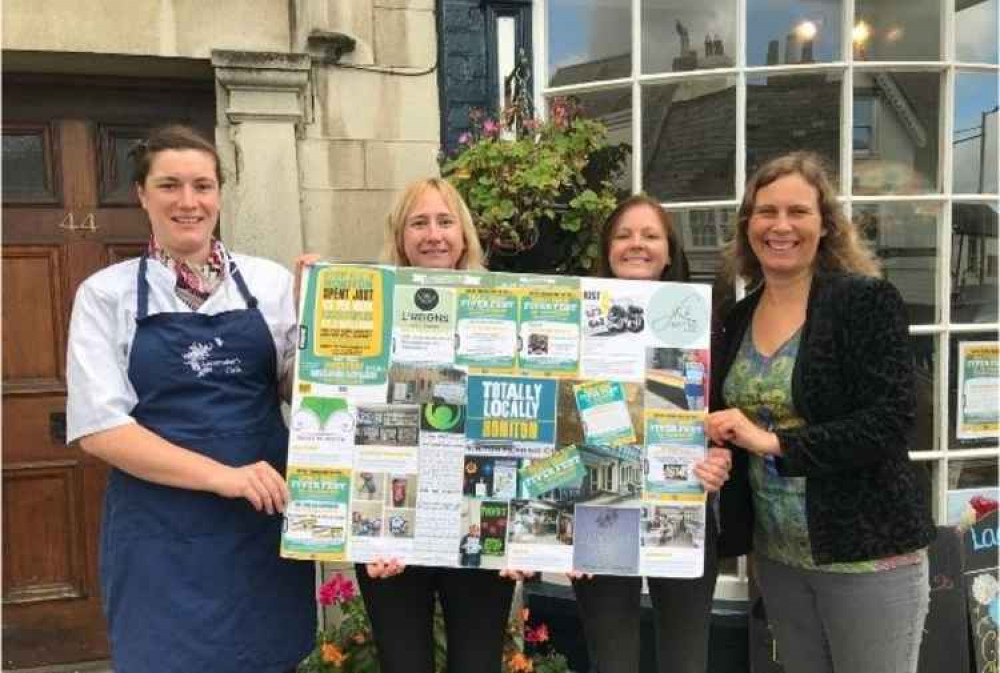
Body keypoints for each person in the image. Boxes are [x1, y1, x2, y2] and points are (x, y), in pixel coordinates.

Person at [65, 125, 315, 673]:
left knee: (268, 658)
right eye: (169, 185)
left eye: (202, 185)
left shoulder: (269, 283)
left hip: (259, 524)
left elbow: (301, 393)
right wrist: (223, 477)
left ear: (220, 195)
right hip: (160, 530)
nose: (188, 201)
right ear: (142, 195)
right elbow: (100, 428)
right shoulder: (105, 295)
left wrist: (328, 332)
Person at [706, 152, 935, 673]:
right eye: (766, 212)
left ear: (825, 225)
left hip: (866, 551)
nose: (780, 226)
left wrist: (775, 443)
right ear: (748, 226)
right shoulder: (737, 317)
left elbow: (894, 417)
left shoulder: (864, 301)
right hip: (779, 557)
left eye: (798, 212)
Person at [301, 177, 525, 673]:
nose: (433, 235)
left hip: (476, 521)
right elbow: (334, 405)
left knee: (478, 664)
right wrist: (312, 301)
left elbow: (523, 426)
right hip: (391, 528)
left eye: (445, 221)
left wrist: (524, 536)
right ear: (400, 237)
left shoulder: (507, 306)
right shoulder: (369, 311)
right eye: (418, 223)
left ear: (464, 234)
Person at [573, 194, 732, 673]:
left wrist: (719, 455)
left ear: (669, 252)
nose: (635, 244)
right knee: (612, 659)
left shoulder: (702, 324)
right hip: (599, 506)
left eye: (649, 235)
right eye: (623, 235)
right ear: (607, 250)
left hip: (681, 504)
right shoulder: (575, 320)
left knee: (686, 659)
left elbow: (722, 414)